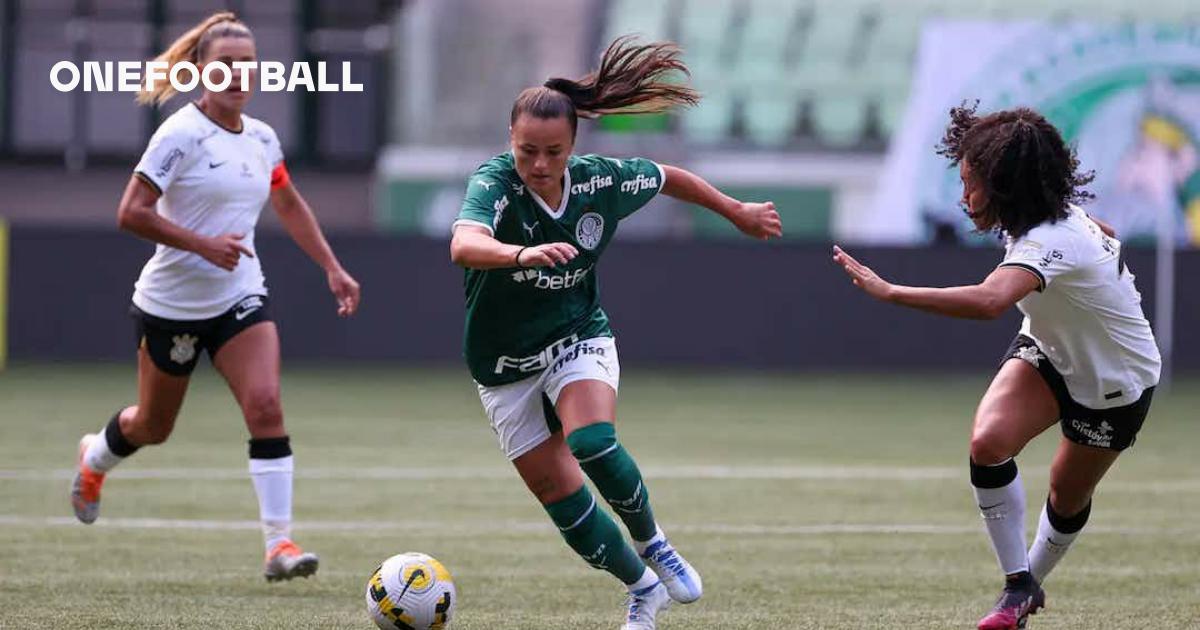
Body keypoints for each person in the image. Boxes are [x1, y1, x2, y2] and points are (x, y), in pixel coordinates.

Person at [449, 36, 783, 630]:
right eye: (528, 151)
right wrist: (520, 255)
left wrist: (735, 211)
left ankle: (655, 541)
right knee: (565, 506)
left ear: (574, 146)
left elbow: (668, 177)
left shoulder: (602, 181)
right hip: (502, 365)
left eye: (554, 151)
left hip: (578, 335)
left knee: (592, 441)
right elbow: (464, 244)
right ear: (511, 142)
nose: (541, 165)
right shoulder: (495, 183)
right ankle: (642, 587)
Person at [833, 103, 1160, 630]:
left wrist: (890, 291)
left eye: (972, 184)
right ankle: (1017, 589)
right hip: (1050, 347)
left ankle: (1030, 580)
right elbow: (1106, 231)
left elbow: (989, 301)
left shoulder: (1051, 240)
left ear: (1007, 186)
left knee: (1066, 491)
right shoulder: (1040, 219)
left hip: (1114, 380)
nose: (964, 197)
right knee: (988, 444)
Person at [69, 12, 361, 582]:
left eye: (247, 65)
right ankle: (95, 457)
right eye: (224, 64)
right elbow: (130, 212)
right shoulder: (179, 134)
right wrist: (201, 245)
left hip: (239, 296)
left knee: (267, 406)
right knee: (153, 426)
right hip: (171, 305)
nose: (236, 75)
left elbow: (288, 203)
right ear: (200, 68)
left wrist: (332, 267)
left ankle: (279, 545)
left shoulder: (262, 138)